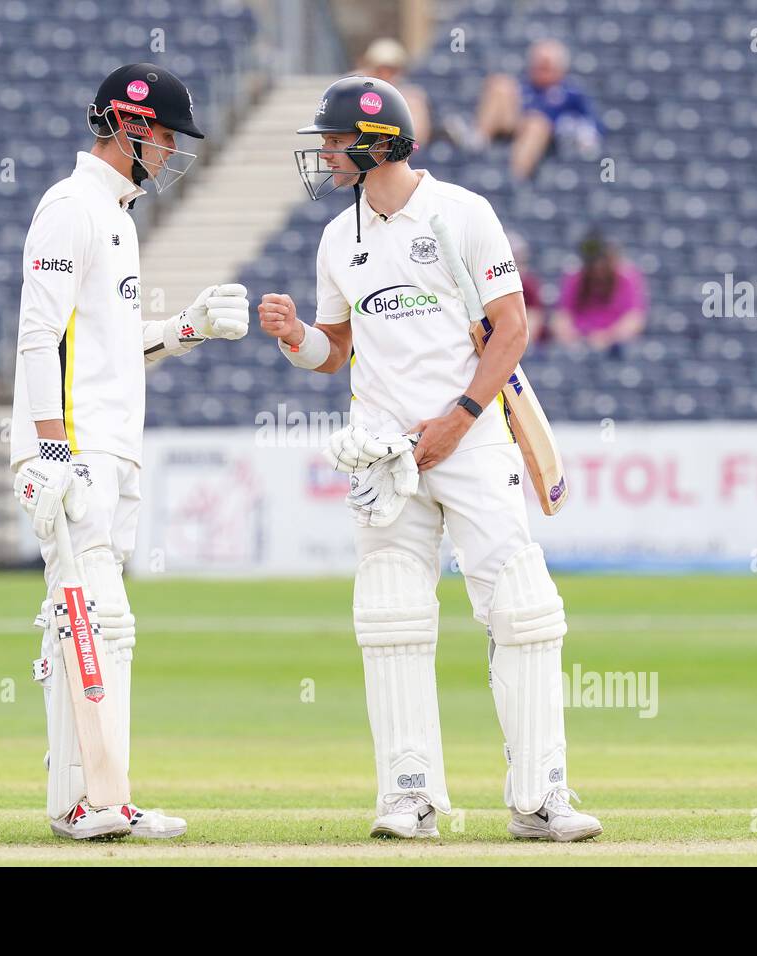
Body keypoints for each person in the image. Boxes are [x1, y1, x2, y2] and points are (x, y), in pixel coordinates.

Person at [260, 75, 602, 842]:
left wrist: (460, 417)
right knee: (391, 617)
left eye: (334, 140)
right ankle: (409, 796)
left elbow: (510, 329)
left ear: (377, 141)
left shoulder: (461, 213)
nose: (324, 155)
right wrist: (294, 337)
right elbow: (335, 349)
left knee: (523, 609)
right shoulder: (336, 237)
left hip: (473, 441)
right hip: (385, 456)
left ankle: (541, 797)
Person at [10, 63, 250, 841]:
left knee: (94, 625)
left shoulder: (117, 215)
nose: (175, 149)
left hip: (111, 449)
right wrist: (49, 452)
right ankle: (88, 803)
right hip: (74, 451)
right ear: (129, 126)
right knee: (93, 619)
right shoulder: (69, 207)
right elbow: (38, 336)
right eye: (167, 134)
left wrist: (187, 329)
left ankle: (95, 798)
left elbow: (106, 349)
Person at [472, 39, 601, 179]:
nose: (540, 70)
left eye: (546, 66)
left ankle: (514, 178)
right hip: (514, 128)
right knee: (500, 84)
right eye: (537, 65)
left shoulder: (570, 94)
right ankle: (476, 143)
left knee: (536, 124)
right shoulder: (524, 88)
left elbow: (591, 126)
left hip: (548, 139)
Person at [552, 230, 646, 353]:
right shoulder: (575, 278)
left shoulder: (627, 277)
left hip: (615, 349)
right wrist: (572, 338)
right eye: (593, 263)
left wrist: (607, 337)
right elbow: (561, 318)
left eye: (602, 262)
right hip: (580, 345)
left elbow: (635, 319)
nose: (598, 269)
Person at [357, 37, 431, 146]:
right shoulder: (355, 90)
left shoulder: (412, 98)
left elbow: (416, 137)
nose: (385, 75)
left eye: (391, 70)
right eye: (380, 70)